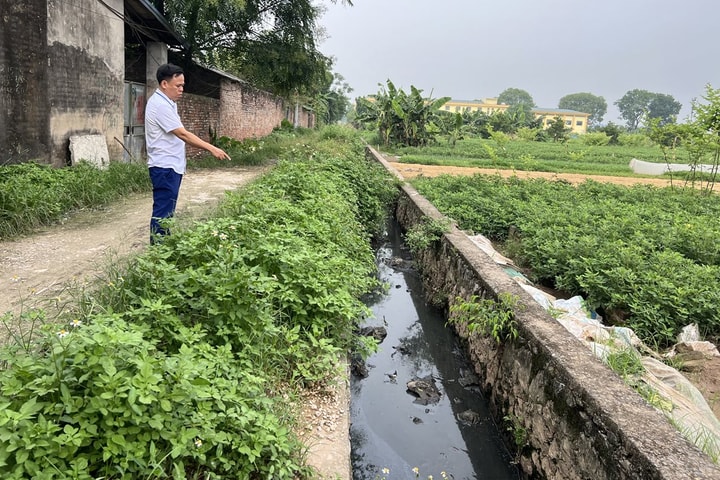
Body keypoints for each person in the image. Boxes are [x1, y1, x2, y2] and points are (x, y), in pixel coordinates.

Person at [145, 63, 231, 243]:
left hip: (170, 166)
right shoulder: (160, 105)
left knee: (167, 211)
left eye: (183, 85)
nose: (182, 89)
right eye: (178, 86)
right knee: (163, 212)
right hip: (164, 167)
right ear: (164, 84)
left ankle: (163, 248)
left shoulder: (168, 103)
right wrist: (212, 148)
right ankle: (158, 254)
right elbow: (183, 134)